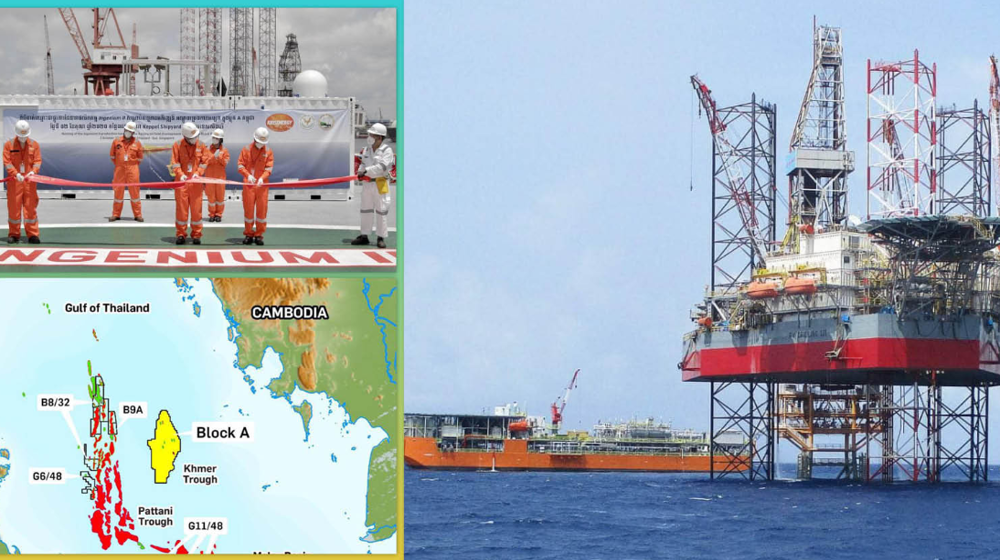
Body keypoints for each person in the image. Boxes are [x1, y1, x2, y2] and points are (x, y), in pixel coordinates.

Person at [352, 123, 394, 248]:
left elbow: (382, 167)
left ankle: (380, 237)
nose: (369, 136)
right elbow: (363, 163)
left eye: (372, 134)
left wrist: (366, 171)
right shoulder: (366, 149)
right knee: (365, 210)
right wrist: (360, 171)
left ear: (379, 137)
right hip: (367, 184)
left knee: (381, 210)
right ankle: (364, 235)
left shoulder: (387, 150)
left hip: (380, 183)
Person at [3, 120, 42, 244]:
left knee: (30, 209)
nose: (23, 138)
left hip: (30, 182)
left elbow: (37, 160)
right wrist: (16, 174)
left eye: (25, 136)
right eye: (21, 136)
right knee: (14, 209)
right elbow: (7, 162)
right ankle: (14, 234)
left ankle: (33, 235)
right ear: (16, 134)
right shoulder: (9, 145)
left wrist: (33, 172)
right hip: (15, 182)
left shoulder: (34, 145)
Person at [169, 122, 208, 245]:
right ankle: (181, 234)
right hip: (182, 183)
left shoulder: (201, 145)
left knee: (197, 210)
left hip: (196, 183)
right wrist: (181, 174)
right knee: (181, 210)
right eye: (192, 137)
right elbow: (174, 163)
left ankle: (196, 234)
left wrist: (199, 172)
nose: (194, 139)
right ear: (185, 137)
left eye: (196, 136)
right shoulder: (177, 145)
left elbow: (205, 161)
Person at [237, 127, 274, 245]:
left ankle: (259, 234)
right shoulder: (246, 149)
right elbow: (240, 165)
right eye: (259, 142)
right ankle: (248, 233)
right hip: (249, 185)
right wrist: (248, 175)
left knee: (262, 211)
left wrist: (262, 178)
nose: (260, 144)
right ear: (254, 138)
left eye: (263, 143)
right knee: (248, 210)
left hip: (262, 186)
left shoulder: (268, 151)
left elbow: (269, 168)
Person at [108, 121, 144, 222]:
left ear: (133, 133)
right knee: (118, 193)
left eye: (130, 131)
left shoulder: (137, 143)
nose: (128, 132)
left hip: (133, 170)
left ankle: (138, 215)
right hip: (119, 170)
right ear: (124, 130)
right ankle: (116, 214)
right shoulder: (116, 141)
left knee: (135, 194)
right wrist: (120, 164)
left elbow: (140, 158)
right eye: (127, 130)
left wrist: (132, 166)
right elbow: (112, 156)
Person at [202, 129, 230, 222]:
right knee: (211, 197)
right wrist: (214, 156)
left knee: (220, 197)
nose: (214, 139)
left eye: (216, 138)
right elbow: (206, 162)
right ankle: (212, 214)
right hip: (209, 177)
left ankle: (219, 214)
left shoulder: (224, 151)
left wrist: (219, 157)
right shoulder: (207, 150)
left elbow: (225, 163)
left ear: (221, 140)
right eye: (213, 137)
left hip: (220, 178)